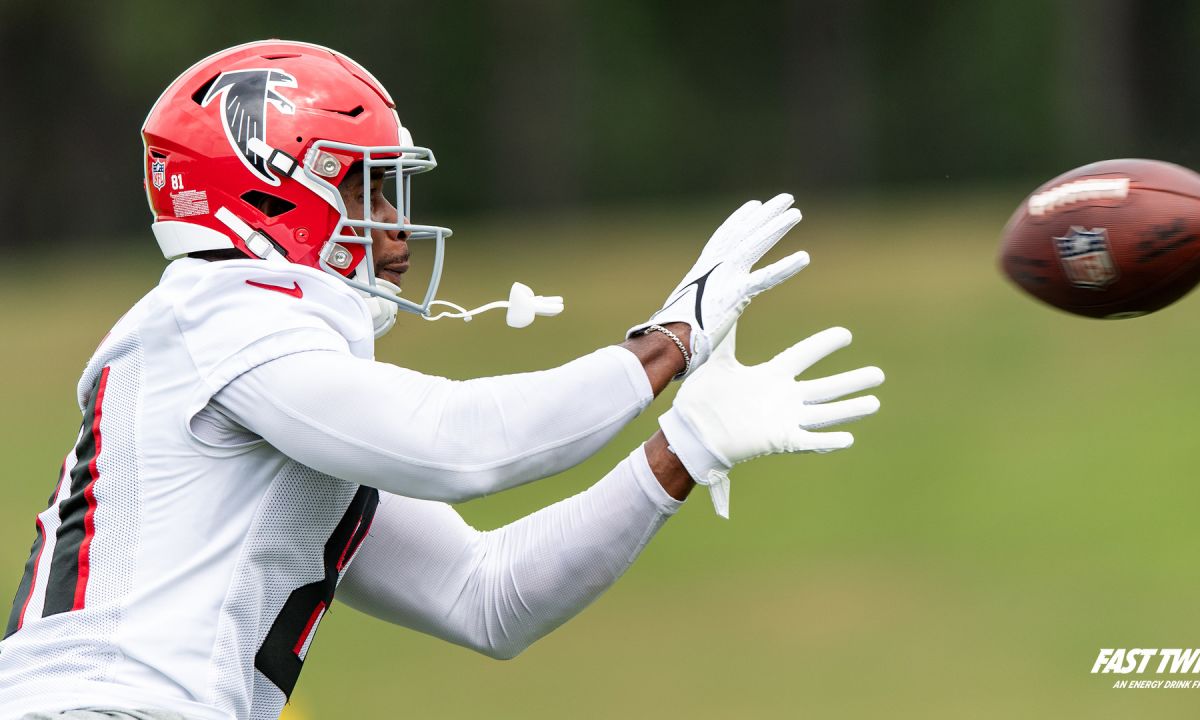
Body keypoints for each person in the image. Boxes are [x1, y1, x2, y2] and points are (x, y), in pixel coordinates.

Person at [0, 40, 884, 720]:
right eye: (366, 192)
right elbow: (460, 442)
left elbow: (488, 594)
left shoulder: (280, 378)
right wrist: (669, 342)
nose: (394, 231)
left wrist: (684, 448)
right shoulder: (222, 313)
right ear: (272, 192)